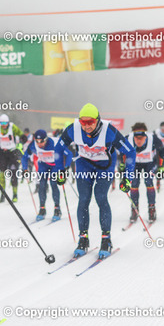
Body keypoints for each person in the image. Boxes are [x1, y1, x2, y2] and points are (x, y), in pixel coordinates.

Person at [54, 103, 136, 259]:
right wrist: (60, 170)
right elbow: (58, 148)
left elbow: (130, 151)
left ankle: (106, 239)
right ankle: (83, 238)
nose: (86, 126)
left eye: (90, 122)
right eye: (83, 122)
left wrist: (127, 177)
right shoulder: (73, 129)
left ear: (97, 120)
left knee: (101, 197)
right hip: (84, 165)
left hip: (105, 166)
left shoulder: (109, 131)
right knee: (84, 199)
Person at [127, 123, 164, 223]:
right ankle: (134, 209)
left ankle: (152, 209)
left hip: (149, 163)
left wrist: (161, 166)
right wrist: (122, 164)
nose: (139, 140)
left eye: (141, 137)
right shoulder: (128, 138)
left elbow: (161, 150)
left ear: (145, 134)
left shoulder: (152, 138)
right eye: (136, 137)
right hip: (135, 164)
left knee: (149, 182)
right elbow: (121, 151)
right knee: (134, 184)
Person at [22, 129, 61, 221]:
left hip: (54, 165)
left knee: (53, 184)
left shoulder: (54, 143)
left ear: (46, 139)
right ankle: (42, 209)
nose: (39, 143)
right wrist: (25, 169)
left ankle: (57, 209)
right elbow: (25, 156)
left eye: (41, 141)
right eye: (37, 141)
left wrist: (65, 167)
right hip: (43, 165)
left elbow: (67, 153)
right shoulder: (33, 145)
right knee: (42, 185)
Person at [0, 114, 23, 202]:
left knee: (13, 173)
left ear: (8, 122)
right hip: (3, 153)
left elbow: (21, 135)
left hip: (12, 152)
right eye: (2, 123)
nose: (3, 125)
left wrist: (21, 143)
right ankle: (2, 194)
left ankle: (15, 194)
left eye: (5, 123)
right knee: (2, 174)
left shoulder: (12, 127)